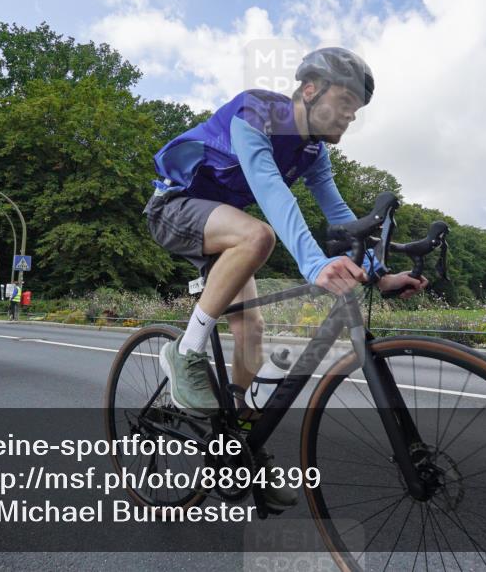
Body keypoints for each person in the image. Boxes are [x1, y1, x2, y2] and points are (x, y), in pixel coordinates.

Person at [146, 47, 428, 509]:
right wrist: (315, 265)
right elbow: (270, 188)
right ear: (310, 89)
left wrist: (378, 276)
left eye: (355, 111)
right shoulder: (258, 110)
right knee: (258, 236)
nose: (349, 117)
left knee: (252, 330)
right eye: (344, 102)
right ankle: (185, 352)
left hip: (222, 227)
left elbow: (341, 217)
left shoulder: (314, 152)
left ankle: (235, 448)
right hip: (172, 208)